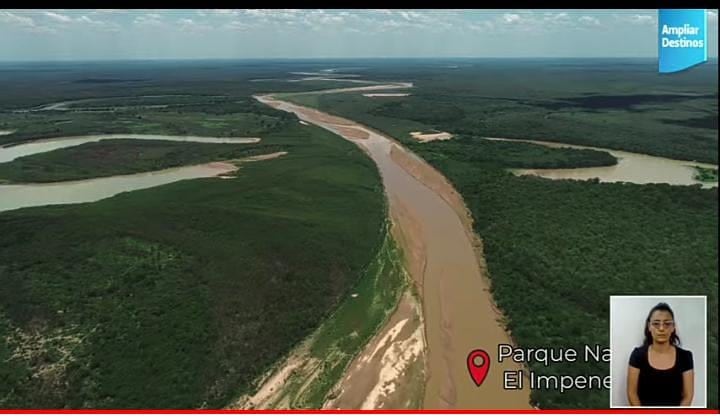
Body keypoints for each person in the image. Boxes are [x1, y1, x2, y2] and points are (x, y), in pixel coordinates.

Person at [626, 302, 694, 407]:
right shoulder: (638, 355)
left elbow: (688, 396)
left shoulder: (685, 357)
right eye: (656, 323)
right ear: (649, 326)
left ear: (673, 327)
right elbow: (632, 393)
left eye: (667, 324)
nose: (661, 328)